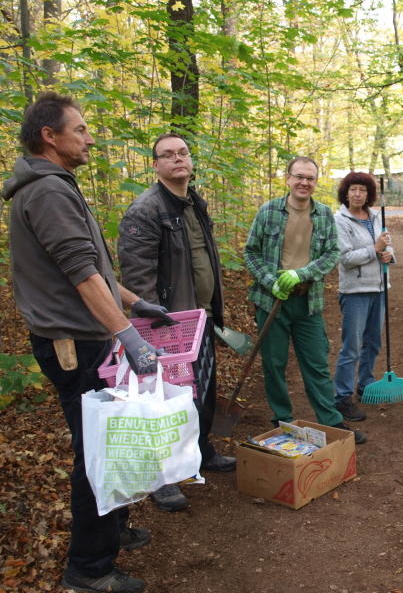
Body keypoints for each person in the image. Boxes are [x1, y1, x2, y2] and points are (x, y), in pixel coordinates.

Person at [2, 91, 166, 593]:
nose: (90, 137)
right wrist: (125, 333)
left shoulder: (53, 185)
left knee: (109, 441)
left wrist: (135, 303)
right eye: (80, 129)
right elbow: (79, 274)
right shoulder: (48, 192)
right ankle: (89, 569)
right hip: (75, 343)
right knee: (97, 451)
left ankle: (111, 529)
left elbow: (92, 265)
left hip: (89, 334)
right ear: (49, 136)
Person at [117, 133, 236, 513]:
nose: (177, 159)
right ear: (155, 165)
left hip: (201, 316)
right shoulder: (145, 211)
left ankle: (201, 452)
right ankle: (162, 478)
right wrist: (153, 327)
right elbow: (137, 278)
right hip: (169, 324)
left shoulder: (194, 203)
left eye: (182, 153)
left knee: (201, 391)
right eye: (167, 155)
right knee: (164, 400)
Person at [244, 156, 366, 444]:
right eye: (299, 176)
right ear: (288, 179)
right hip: (270, 300)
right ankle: (282, 421)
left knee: (316, 362)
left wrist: (302, 274)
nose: (304, 182)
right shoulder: (268, 211)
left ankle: (332, 421)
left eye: (310, 178)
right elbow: (251, 253)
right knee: (274, 364)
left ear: (315, 182)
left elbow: (331, 254)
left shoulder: (323, 214)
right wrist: (272, 281)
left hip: (307, 301)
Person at [332, 172, 394, 421]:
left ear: (369, 194)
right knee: (352, 347)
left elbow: (387, 244)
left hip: (379, 287)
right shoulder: (340, 220)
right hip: (355, 291)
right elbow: (345, 259)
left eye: (363, 190)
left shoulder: (376, 216)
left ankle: (365, 385)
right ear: (346, 193)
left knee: (373, 342)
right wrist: (375, 249)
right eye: (353, 190)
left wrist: (389, 254)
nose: (358, 194)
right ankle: (342, 397)